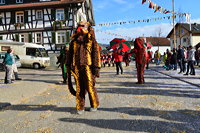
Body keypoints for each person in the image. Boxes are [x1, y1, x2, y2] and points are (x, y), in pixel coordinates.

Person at [67, 21, 101, 114]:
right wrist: (68, 65)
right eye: (79, 26)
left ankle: (94, 104)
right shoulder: (74, 41)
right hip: (76, 66)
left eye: (82, 26)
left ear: (87, 27)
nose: (80, 27)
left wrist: (96, 67)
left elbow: (95, 53)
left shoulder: (91, 39)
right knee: (79, 87)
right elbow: (70, 54)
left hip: (88, 66)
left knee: (90, 86)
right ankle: (80, 106)